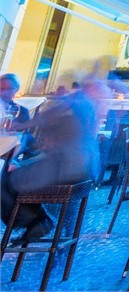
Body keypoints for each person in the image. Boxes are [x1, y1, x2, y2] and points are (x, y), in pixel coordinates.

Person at [0, 75, 102, 243]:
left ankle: (35, 222)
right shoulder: (85, 107)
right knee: (15, 174)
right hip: (82, 169)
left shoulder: (74, 104)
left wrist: (23, 126)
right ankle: (37, 221)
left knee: (5, 180)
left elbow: (47, 118)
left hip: (67, 168)